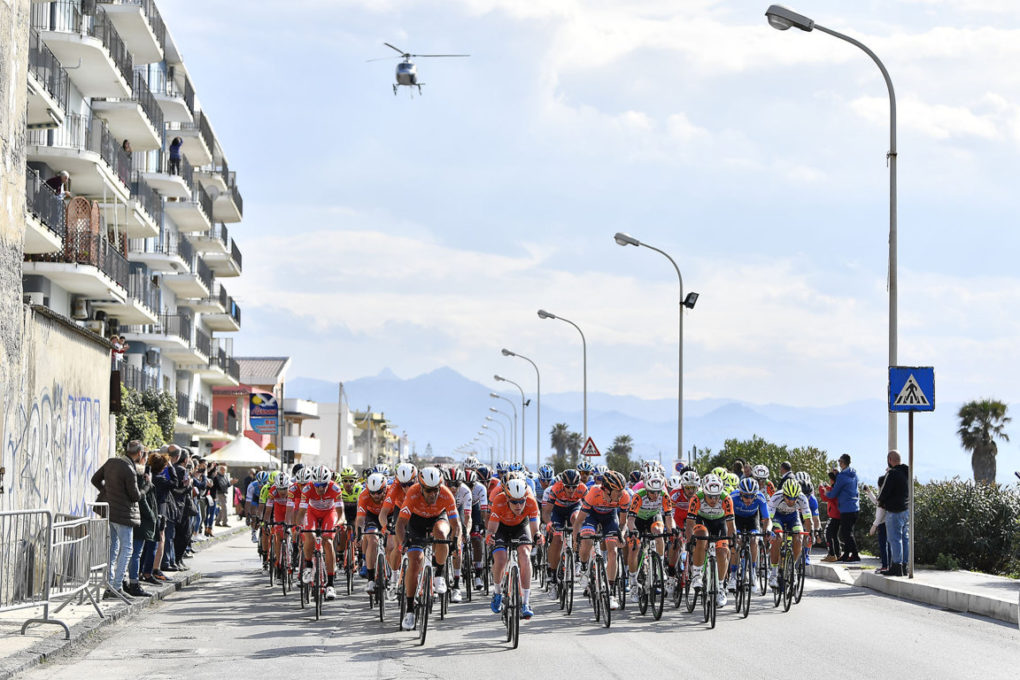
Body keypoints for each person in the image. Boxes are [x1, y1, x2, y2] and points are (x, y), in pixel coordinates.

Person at [91, 440, 152, 599]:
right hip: (124, 514)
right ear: (139, 454)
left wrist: (109, 493)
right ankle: (117, 586)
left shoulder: (111, 462)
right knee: (127, 549)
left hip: (110, 512)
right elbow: (135, 496)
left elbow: (95, 480)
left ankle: (110, 585)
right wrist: (147, 485)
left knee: (113, 548)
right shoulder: (129, 469)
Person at [487, 476, 540, 619]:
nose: (518, 506)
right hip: (501, 528)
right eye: (514, 502)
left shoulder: (531, 501)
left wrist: (538, 536)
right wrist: (490, 536)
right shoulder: (499, 500)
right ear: (507, 498)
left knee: (525, 556)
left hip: (521, 527)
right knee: (501, 559)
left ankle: (526, 602)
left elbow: (535, 528)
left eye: (521, 501)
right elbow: (492, 528)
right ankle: (497, 592)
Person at [878, 450, 910, 576]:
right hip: (906, 509)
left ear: (890, 460)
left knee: (894, 539)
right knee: (904, 538)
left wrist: (880, 501)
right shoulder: (907, 472)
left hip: (894, 511)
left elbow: (884, 492)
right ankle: (905, 566)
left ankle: (897, 566)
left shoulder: (892, 473)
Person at [828, 453, 860, 562]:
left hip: (846, 508)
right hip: (855, 507)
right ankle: (846, 554)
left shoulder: (841, 477)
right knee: (848, 532)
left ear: (843, 463)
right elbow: (846, 483)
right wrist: (838, 476)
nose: (839, 463)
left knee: (846, 533)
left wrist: (825, 492)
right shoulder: (853, 473)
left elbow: (834, 493)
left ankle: (855, 554)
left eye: (840, 462)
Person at [819, 469, 842, 563]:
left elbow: (825, 497)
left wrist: (821, 488)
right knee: (834, 535)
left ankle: (832, 554)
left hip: (834, 515)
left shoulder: (834, 490)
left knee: (827, 533)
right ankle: (837, 554)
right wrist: (826, 487)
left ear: (832, 480)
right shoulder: (837, 488)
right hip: (838, 515)